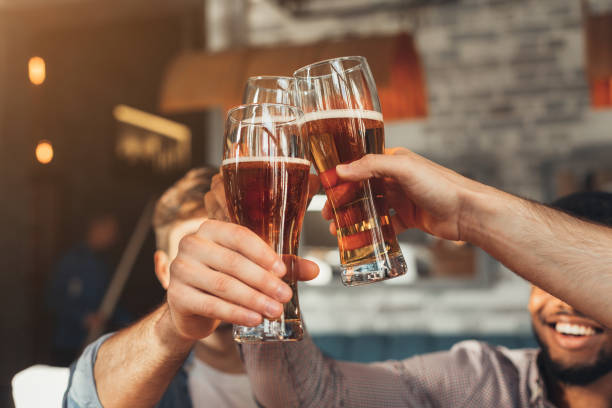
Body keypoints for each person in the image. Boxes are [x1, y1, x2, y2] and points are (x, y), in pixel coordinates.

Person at [65, 149, 612, 407]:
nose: (568, 304)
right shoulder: (488, 383)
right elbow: (313, 396)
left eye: (570, 278)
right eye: (550, 284)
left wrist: (471, 213)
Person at [63, 167, 261, 407]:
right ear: (164, 269)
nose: (215, 260)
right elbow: (84, 395)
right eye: (195, 246)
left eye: (228, 241)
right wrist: (173, 327)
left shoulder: (305, 376)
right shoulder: (147, 383)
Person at [47, 213, 122, 366]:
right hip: (68, 343)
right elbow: (53, 298)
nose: (113, 237)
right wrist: (83, 317)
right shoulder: (72, 260)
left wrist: (130, 324)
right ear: (96, 229)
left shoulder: (104, 264)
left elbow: (110, 303)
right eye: (110, 231)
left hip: (96, 344)